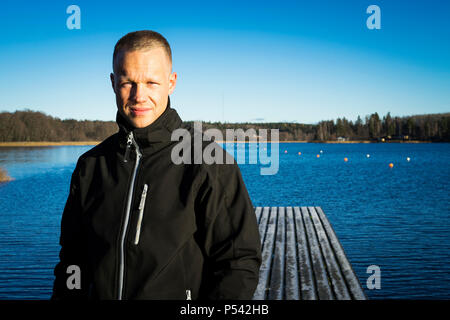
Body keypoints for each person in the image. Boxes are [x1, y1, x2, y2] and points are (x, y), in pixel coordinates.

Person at [52, 30, 262, 300]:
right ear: (113, 82)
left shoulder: (208, 162)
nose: (139, 96)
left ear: (171, 82)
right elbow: (73, 259)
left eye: (151, 82)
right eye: (129, 82)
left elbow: (238, 263)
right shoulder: (91, 166)